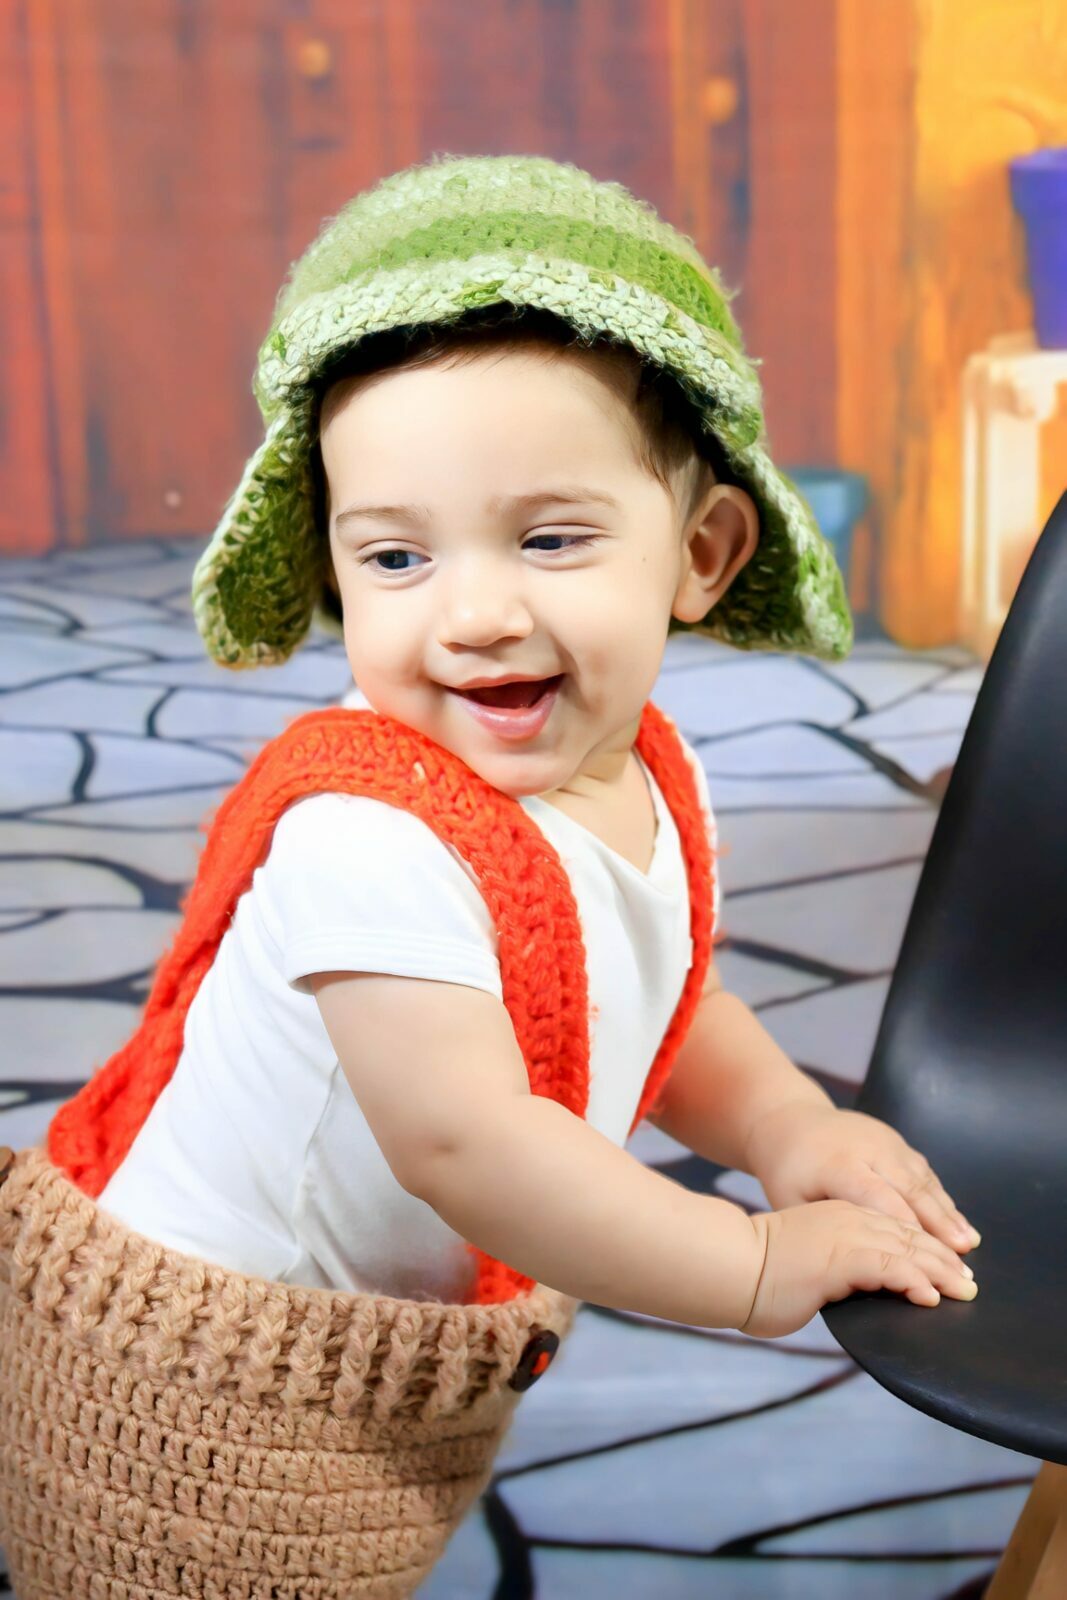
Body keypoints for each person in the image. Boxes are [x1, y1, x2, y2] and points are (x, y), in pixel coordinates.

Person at [0, 153, 979, 1600]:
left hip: (385, 1363)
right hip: (201, 1383)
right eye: (397, 558)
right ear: (334, 570)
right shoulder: (370, 837)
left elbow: (655, 997)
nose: (472, 613)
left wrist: (786, 1127)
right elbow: (468, 1143)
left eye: (550, 539)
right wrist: (751, 1267)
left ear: (702, 554)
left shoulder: (651, 767)